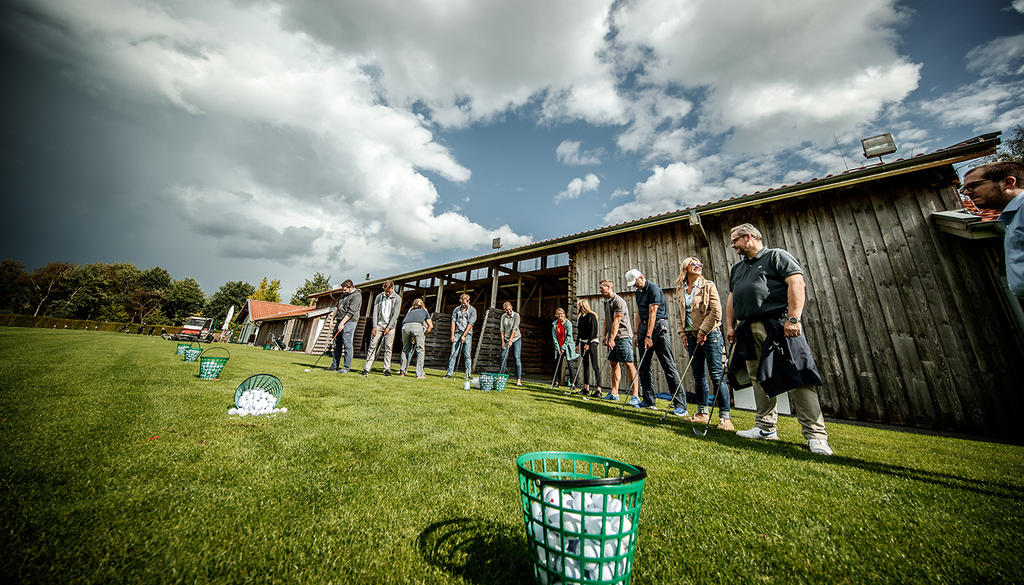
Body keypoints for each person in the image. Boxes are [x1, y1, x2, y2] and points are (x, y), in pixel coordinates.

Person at [725, 223, 832, 455]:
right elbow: (732, 297)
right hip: (747, 327)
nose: (733, 245)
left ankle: (815, 434)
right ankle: (765, 427)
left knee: (798, 375)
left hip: (778, 324)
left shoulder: (776, 256)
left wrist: (793, 319)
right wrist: (730, 326)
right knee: (757, 377)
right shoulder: (738, 268)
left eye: (735, 240)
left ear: (749, 237)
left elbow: (796, 282)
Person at [674, 257, 733, 431]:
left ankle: (725, 417)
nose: (698, 266)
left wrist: (703, 331)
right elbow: (680, 314)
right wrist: (683, 333)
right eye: (693, 264)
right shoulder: (680, 289)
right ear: (685, 267)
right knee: (698, 375)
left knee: (716, 374)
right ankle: (702, 413)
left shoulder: (708, 285)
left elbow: (716, 311)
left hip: (710, 334)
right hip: (691, 336)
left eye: (699, 264)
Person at [961, 161, 1024, 298]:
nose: (967, 193)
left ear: (1008, 183)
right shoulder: (1011, 219)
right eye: (963, 189)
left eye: (972, 186)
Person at [625, 268, 682, 411]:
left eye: (636, 283)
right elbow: (639, 312)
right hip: (644, 327)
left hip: (658, 327)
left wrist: (649, 336)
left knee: (668, 365)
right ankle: (649, 400)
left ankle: (680, 404)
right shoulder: (638, 292)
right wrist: (637, 333)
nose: (635, 286)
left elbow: (653, 313)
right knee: (644, 366)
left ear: (641, 277)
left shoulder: (654, 289)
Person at [599, 279, 639, 403]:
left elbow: (616, 321)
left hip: (623, 336)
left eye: (602, 287)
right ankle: (614, 393)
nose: (600, 290)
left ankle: (635, 395)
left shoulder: (618, 301)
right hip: (613, 337)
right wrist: (604, 335)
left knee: (629, 363)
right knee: (613, 363)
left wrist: (612, 339)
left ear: (609, 287)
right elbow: (607, 319)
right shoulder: (606, 301)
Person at [362, 280, 402, 376]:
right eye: (385, 291)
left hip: (391, 326)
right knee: (372, 345)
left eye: (389, 291)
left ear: (392, 288)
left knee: (388, 347)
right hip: (379, 324)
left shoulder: (397, 298)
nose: (387, 293)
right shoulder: (379, 297)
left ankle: (386, 369)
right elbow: (375, 312)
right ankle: (367, 368)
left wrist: (389, 327)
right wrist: (374, 326)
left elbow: (396, 315)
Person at [329, 279, 362, 373]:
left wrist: (342, 323)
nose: (343, 292)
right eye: (343, 290)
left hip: (350, 321)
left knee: (347, 345)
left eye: (345, 290)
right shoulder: (343, 294)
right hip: (339, 320)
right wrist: (332, 320)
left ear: (350, 287)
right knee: (337, 344)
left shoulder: (357, 296)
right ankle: (334, 366)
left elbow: (351, 312)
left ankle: (346, 368)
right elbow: (337, 307)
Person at [399, 298, 433, 379]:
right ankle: (419, 374)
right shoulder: (424, 311)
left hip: (405, 327)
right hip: (417, 326)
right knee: (420, 350)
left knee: (405, 349)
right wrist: (423, 334)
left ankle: (402, 371)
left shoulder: (410, 311)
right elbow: (431, 326)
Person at [444, 293, 477, 379]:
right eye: (462, 302)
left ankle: (468, 375)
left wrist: (464, 335)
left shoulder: (472, 310)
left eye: (465, 303)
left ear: (468, 301)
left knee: (467, 355)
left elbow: (470, 324)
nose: (463, 304)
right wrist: (452, 335)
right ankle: (449, 373)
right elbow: (453, 322)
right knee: (453, 354)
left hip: (467, 334)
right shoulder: (456, 310)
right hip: (457, 333)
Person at [575, 298, 602, 397]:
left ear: (582, 306)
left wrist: (588, 343)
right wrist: (577, 344)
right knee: (585, 365)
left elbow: (593, 331)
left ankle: (598, 390)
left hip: (592, 343)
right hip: (583, 342)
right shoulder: (580, 317)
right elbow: (579, 332)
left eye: (578, 305)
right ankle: (586, 388)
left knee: (595, 365)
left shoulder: (591, 316)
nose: (577, 307)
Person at [551, 307, 578, 388]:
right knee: (557, 364)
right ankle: (556, 382)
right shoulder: (555, 325)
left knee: (570, 365)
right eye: (558, 314)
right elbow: (554, 337)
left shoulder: (568, 324)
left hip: (568, 346)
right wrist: (558, 348)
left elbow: (569, 336)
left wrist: (563, 347)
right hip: (559, 346)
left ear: (564, 314)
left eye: (561, 314)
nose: (560, 316)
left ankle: (573, 383)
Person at [499, 301, 523, 386]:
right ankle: (501, 378)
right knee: (503, 356)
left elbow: (514, 329)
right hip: (506, 338)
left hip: (516, 338)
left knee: (516, 357)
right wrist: (503, 342)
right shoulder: (503, 316)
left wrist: (511, 340)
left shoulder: (516, 316)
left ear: (512, 307)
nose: (508, 311)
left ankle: (518, 380)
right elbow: (502, 329)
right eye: (506, 310)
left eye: (509, 309)